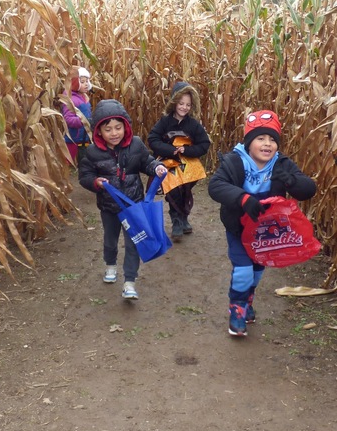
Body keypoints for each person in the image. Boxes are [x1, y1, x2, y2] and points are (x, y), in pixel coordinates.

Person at [208, 110, 317, 337]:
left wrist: (293, 181)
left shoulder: (281, 164)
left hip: (266, 232)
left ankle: (247, 300)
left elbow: (309, 189)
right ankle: (237, 310)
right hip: (238, 227)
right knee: (243, 270)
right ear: (249, 143)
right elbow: (216, 186)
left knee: (257, 272)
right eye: (260, 139)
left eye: (272, 140)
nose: (267, 144)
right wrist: (243, 199)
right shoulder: (235, 162)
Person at [79, 99, 168, 300]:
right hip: (109, 207)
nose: (114, 133)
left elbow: (147, 162)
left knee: (133, 243)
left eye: (118, 127)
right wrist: (95, 182)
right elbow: (84, 176)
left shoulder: (136, 144)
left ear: (125, 127)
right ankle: (110, 265)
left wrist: (156, 168)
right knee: (110, 240)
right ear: (99, 132)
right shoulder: (93, 152)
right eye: (108, 129)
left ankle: (129, 281)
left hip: (133, 205)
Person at [147, 81, 211, 241]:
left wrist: (187, 150)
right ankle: (177, 221)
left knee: (185, 190)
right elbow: (152, 139)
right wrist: (170, 150)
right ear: (174, 102)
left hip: (189, 164)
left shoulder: (193, 125)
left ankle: (183, 217)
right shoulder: (165, 122)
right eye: (181, 103)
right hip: (168, 162)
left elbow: (204, 144)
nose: (184, 107)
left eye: (188, 104)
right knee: (173, 190)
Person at [62, 67, 93, 165]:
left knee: (83, 158)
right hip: (73, 136)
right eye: (82, 82)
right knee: (69, 159)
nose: (86, 84)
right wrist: (83, 121)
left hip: (84, 135)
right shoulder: (71, 99)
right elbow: (68, 119)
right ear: (75, 83)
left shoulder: (84, 97)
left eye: (87, 81)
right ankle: (66, 171)